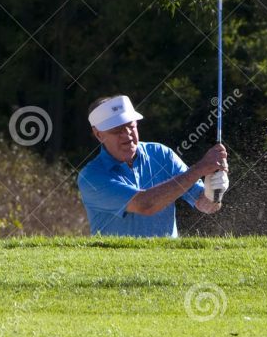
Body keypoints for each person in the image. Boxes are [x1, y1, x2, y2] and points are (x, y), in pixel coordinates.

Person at [77, 95, 228, 237]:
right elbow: (145, 205)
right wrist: (199, 169)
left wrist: (214, 193)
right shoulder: (90, 177)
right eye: (117, 130)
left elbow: (206, 205)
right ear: (98, 134)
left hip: (167, 261)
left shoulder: (161, 154)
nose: (127, 134)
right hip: (118, 263)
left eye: (131, 125)